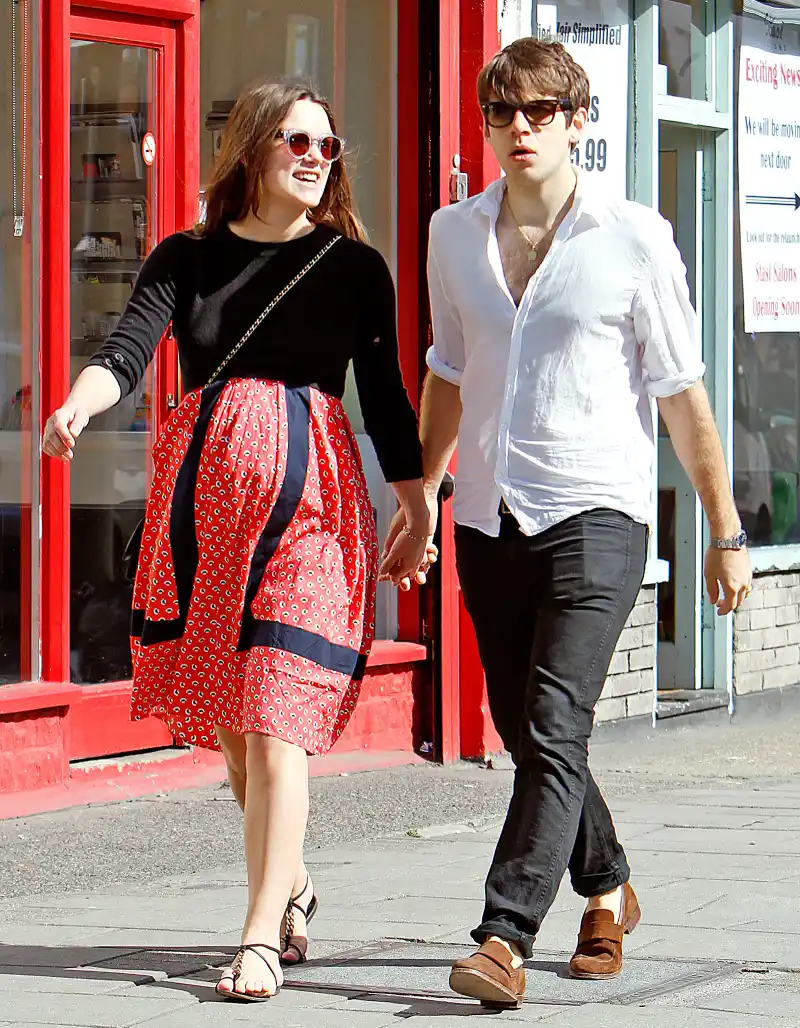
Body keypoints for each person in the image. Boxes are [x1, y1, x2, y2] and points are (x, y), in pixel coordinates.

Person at [43, 80, 432, 1003]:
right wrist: (75, 407)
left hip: (314, 509)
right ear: (252, 148)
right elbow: (129, 349)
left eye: (327, 146)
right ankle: (290, 880)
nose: (313, 156)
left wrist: (417, 505)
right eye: (295, 139)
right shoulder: (189, 257)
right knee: (232, 725)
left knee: (273, 719)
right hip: (205, 508)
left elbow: (384, 396)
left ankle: (259, 937)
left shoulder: (352, 267)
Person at [386, 38, 753, 1010]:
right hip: (485, 512)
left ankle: (502, 934)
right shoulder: (450, 234)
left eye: (539, 112)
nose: (518, 128)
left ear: (577, 122)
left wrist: (721, 525)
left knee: (552, 718)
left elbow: (680, 393)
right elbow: (447, 374)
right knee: (525, 726)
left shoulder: (632, 236)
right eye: (501, 112)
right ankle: (607, 884)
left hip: (597, 512)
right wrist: (420, 490)